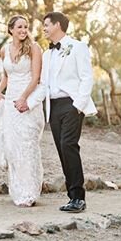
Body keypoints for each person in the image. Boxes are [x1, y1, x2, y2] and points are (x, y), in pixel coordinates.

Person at [41, 12, 96, 213]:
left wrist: (77, 106)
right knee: (62, 150)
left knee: (68, 146)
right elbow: (43, 85)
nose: (44, 28)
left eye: (46, 24)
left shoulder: (78, 47)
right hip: (53, 107)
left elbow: (86, 78)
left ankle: (78, 198)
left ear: (58, 25)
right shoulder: (47, 54)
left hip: (72, 105)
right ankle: (72, 197)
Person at [0, 15, 46, 207]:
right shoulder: (4, 50)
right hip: (10, 104)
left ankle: (30, 192)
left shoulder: (34, 48)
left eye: (26, 27)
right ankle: (18, 190)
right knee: (13, 146)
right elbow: (7, 76)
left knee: (27, 144)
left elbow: (36, 78)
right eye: (19, 27)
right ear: (11, 30)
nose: (23, 30)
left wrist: (24, 98)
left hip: (28, 102)